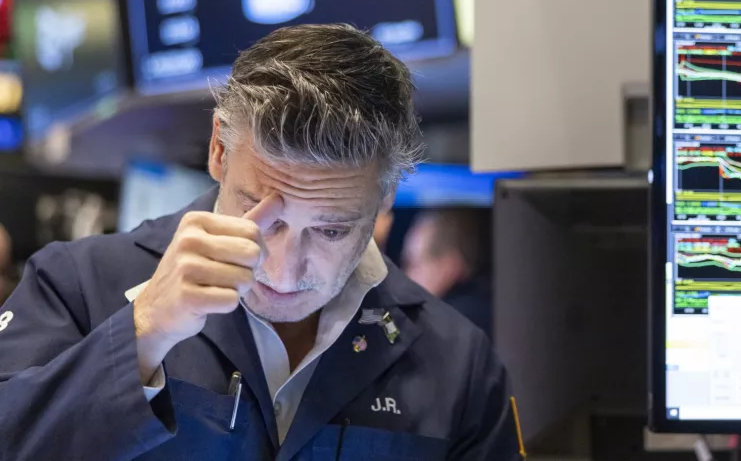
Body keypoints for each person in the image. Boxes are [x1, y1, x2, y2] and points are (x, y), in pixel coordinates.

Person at [0, 25, 521, 461]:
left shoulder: (458, 360)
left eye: (331, 230)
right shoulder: (75, 287)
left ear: (386, 199)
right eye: (261, 213)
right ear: (219, 151)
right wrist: (139, 337)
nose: (283, 269)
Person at [402, 209, 493, 339]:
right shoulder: (493, 310)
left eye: (413, 264)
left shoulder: (444, 328)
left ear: (449, 264)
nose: (405, 275)